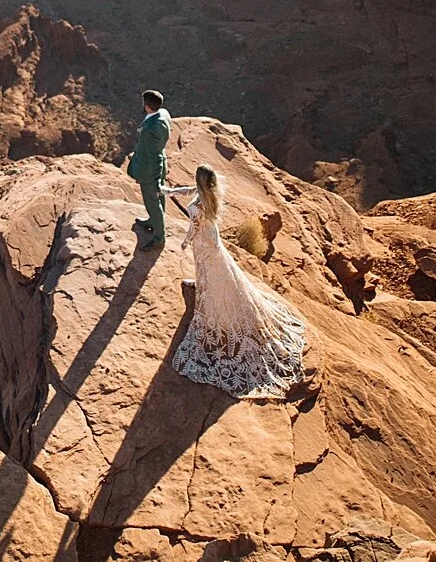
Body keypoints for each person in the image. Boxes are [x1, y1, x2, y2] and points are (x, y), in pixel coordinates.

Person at [163, 163, 308, 399]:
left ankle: (210, 294)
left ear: (201, 181)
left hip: (203, 241)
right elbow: (189, 190)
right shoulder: (208, 194)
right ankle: (203, 286)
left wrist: (184, 242)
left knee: (208, 268)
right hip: (213, 239)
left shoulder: (199, 206)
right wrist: (169, 192)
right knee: (212, 269)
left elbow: (193, 228)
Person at [126, 89, 172, 248]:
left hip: (150, 169)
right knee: (158, 199)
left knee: (152, 201)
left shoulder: (151, 128)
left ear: (147, 105)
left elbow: (156, 156)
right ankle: (154, 221)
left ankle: (159, 238)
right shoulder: (164, 113)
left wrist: (155, 180)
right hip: (157, 164)